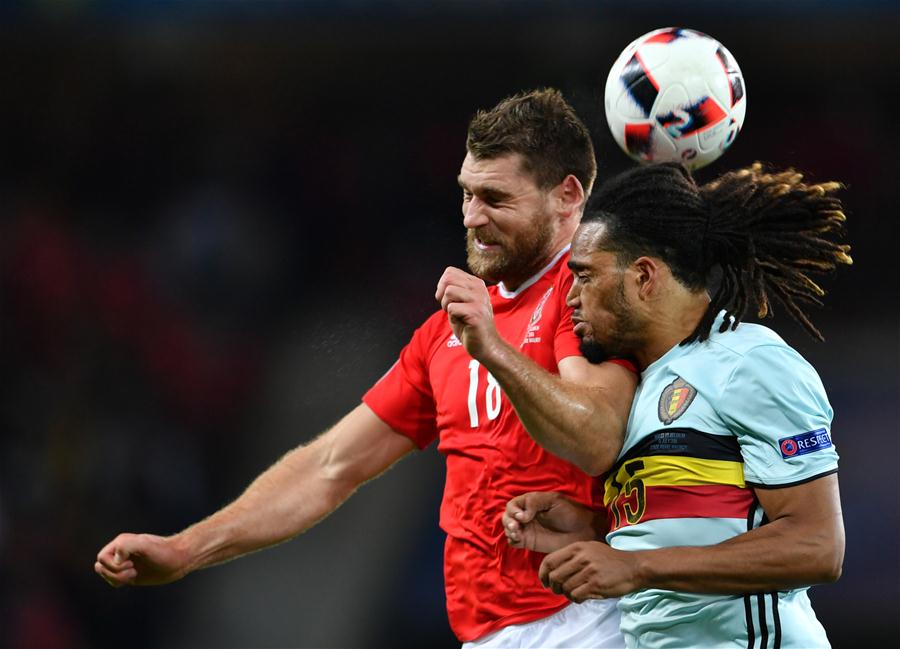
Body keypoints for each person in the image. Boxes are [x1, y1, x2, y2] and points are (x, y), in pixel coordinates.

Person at [95, 88, 638, 648]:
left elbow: (597, 439)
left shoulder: (592, 295)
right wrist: (187, 549)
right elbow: (331, 466)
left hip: (594, 622)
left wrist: (494, 351)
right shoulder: (448, 333)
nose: (473, 217)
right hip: (493, 635)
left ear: (567, 196)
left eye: (495, 199)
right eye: (466, 195)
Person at [475, 161, 849, 648]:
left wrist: (634, 566)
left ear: (644, 277)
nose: (570, 297)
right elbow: (705, 519)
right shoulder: (641, 385)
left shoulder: (748, 362)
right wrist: (595, 528)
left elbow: (817, 545)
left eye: (585, 276)